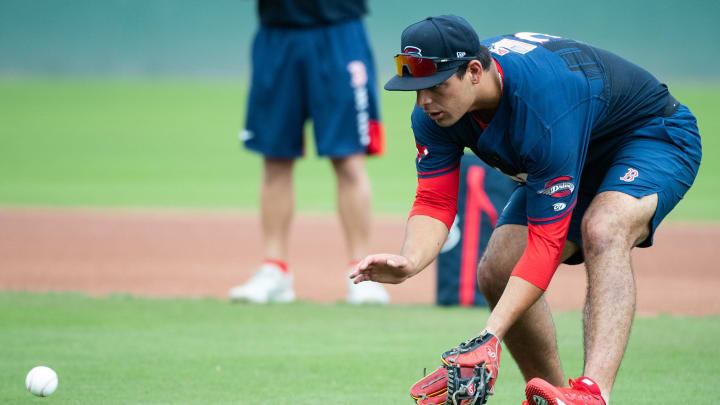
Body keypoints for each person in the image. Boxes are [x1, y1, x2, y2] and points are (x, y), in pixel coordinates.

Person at [350, 15, 701, 404]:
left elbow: (545, 245)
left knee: (604, 227)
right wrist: (411, 260)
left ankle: (592, 394)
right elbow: (435, 199)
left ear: (473, 71)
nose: (424, 101)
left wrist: (489, 338)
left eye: (436, 86)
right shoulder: (435, 114)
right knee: (498, 269)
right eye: (416, 89)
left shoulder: (543, 105)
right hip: (570, 152)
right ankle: (553, 397)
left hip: (650, 135)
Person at [230, 0, 389, 305]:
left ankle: (361, 272)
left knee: (349, 160)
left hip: (339, 29)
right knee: (275, 158)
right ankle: (274, 270)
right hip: (278, 32)